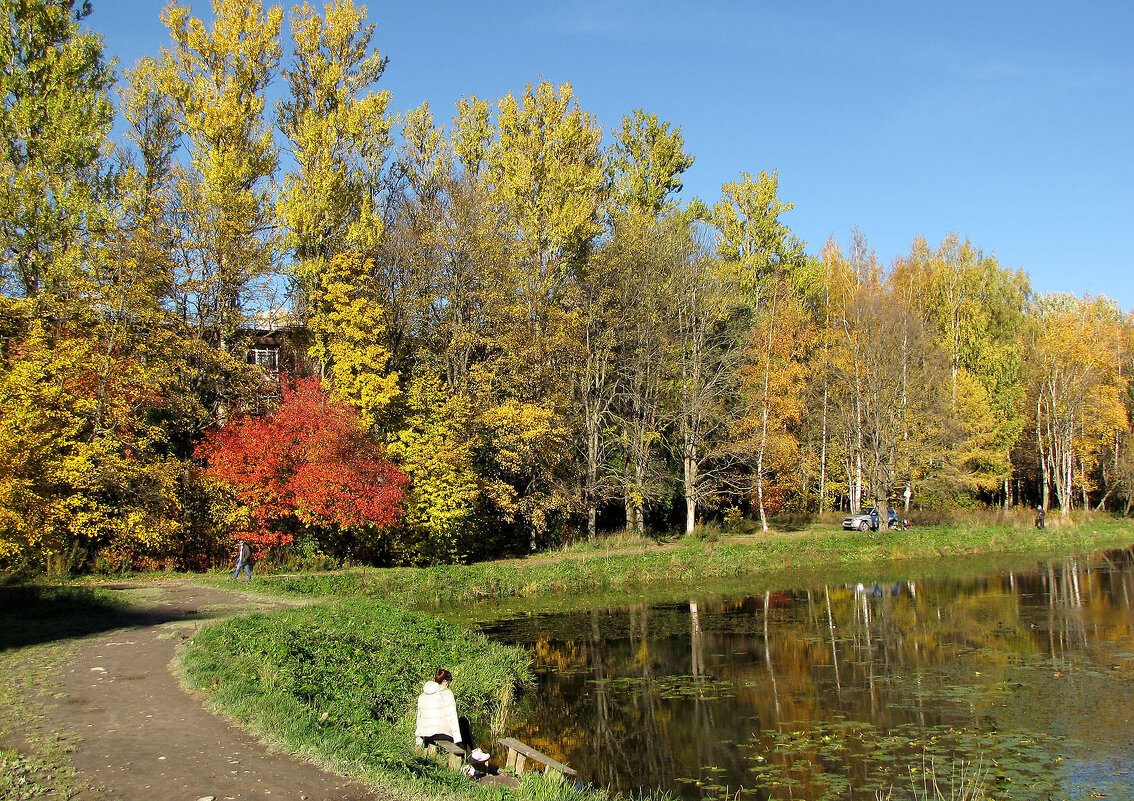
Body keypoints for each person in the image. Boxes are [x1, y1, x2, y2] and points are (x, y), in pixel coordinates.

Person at [415, 669, 489, 766]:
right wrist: (458, 739)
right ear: (445, 681)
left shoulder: (422, 695)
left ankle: (471, 759)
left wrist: (418, 736)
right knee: (462, 723)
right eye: (449, 682)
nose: (449, 685)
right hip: (438, 734)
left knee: (461, 726)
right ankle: (469, 759)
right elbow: (452, 718)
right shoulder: (447, 693)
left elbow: (419, 717)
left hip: (425, 733)